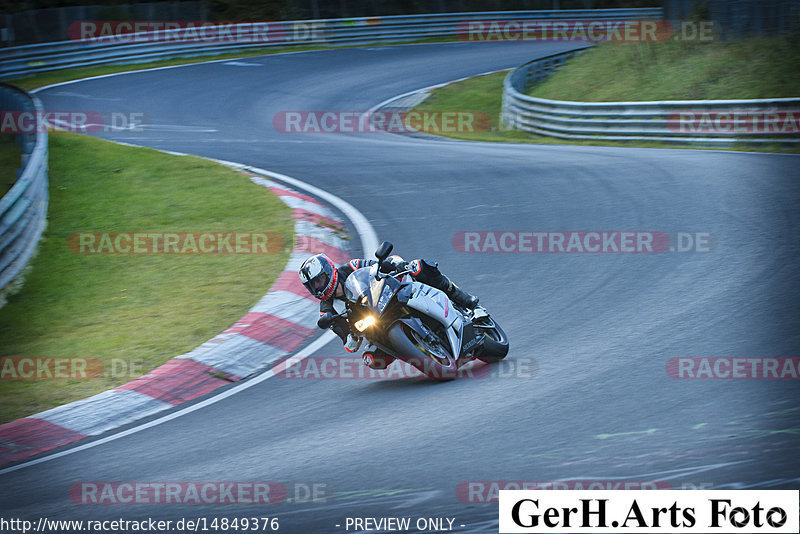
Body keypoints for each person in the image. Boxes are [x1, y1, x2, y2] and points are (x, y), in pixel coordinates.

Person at [298, 252, 478, 367]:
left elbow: (376, 266)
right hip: (373, 325)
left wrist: (395, 265)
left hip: (386, 297)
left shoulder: (350, 267)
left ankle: (459, 296)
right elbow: (349, 344)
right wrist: (351, 334)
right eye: (312, 285)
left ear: (329, 271)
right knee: (371, 359)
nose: (317, 287)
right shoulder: (326, 312)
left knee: (419, 266)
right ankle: (418, 351)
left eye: (319, 280)